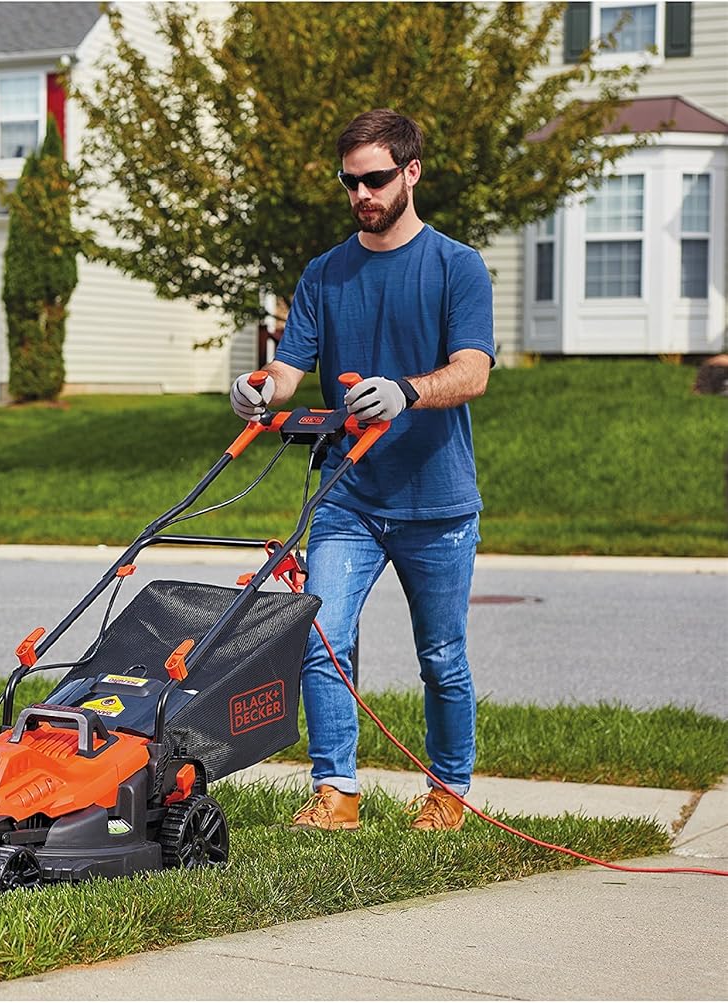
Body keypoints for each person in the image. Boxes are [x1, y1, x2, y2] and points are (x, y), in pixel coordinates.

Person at [229, 109, 495, 832]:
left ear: (411, 172)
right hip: (349, 496)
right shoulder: (325, 273)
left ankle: (449, 794)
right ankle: (337, 791)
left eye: (375, 179)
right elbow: (289, 366)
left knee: (440, 655)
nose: (361, 195)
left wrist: (407, 389)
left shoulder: (456, 266)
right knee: (322, 635)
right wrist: (260, 388)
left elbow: (472, 372)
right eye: (349, 183)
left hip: (436, 501)